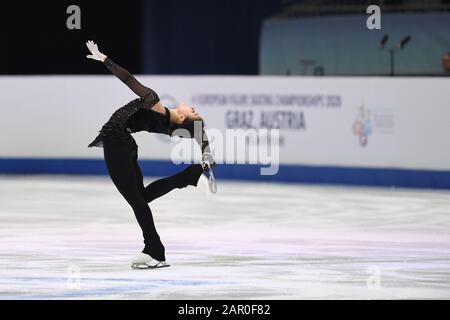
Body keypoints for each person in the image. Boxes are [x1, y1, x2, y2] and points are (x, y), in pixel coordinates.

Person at [85, 40, 216, 269]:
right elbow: (200, 132)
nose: (192, 107)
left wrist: (106, 60)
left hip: (118, 142)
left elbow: (129, 80)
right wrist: (205, 157)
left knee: (138, 201)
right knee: (141, 199)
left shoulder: (153, 101)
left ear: (183, 118)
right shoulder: (167, 122)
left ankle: (155, 251)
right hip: (124, 143)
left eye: (193, 112)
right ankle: (187, 178)